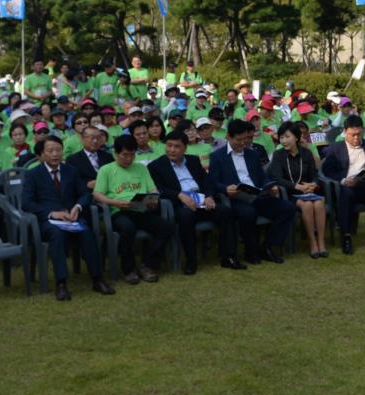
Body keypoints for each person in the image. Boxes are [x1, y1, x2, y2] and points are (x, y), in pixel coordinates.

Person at [20, 135, 114, 300]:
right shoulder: (33, 174)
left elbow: (85, 194)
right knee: (57, 234)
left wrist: (77, 207)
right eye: (50, 151)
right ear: (42, 154)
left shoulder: (71, 170)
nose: (55, 154)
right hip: (49, 221)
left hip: (72, 218)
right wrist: (51, 213)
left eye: (58, 150)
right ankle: (61, 283)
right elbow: (27, 203)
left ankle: (97, 279)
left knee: (87, 232)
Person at [208, 120, 297, 266]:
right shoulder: (218, 156)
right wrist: (225, 189)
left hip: (257, 194)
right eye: (239, 140)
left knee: (288, 208)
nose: (243, 143)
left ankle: (267, 246)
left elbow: (262, 177)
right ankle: (251, 251)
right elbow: (212, 181)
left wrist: (269, 186)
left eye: (246, 139)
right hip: (236, 197)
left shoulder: (252, 154)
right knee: (248, 212)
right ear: (228, 137)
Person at [92, 134, 175, 284]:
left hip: (141, 209)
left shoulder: (141, 168)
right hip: (120, 211)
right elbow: (97, 194)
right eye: (124, 155)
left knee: (166, 227)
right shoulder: (106, 170)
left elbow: (153, 189)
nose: (129, 159)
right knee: (127, 228)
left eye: (132, 155)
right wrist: (114, 203)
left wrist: (153, 199)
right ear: (116, 153)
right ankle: (129, 269)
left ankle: (148, 265)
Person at [147, 131, 220, 275]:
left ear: (185, 148)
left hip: (201, 200)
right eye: (169, 146)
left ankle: (228, 255)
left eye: (177, 146)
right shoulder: (156, 166)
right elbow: (159, 189)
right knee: (186, 216)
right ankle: (191, 261)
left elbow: (206, 182)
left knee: (225, 211)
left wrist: (209, 196)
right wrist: (179, 195)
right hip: (179, 204)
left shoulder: (193, 160)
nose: (172, 150)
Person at [319, 115, 365, 254]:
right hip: (347, 186)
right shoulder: (336, 148)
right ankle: (346, 237)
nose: (356, 138)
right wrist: (343, 180)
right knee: (346, 196)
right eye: (352, 135)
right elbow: (327, 171)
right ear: (345, 132)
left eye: (359, 134)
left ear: (363, 131)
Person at [270, 121, 328, 257]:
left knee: (319, 203)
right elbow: (277, 178)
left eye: (287, 137)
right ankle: (312, 243)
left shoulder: (306, 153)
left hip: (308, 191)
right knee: (307, 205)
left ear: (296, 137)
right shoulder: (278, 155)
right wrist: (298, 187)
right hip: (290, 193)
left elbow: (314, 174)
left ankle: (321, 242)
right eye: (281, 137)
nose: (284, 141)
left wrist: (313, 184)